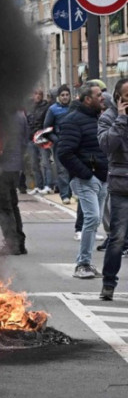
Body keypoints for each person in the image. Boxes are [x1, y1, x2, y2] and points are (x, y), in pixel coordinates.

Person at [57, 82, 108, 280]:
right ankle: (83, 264)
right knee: (92, 218)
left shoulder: (99, 118)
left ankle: (87, 262)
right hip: (86, 178)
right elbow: (64, 153)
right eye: (98, 95)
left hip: (102, 177)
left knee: (95, 221)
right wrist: (86, 174)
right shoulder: (72, 120)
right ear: (88, 99)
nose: (102, 98)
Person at [97, 78, 128, 299]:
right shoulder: (108, 117)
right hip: (121, 185)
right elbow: (106, 145)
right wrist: (122, 119)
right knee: (117, 237)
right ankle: (108, 283)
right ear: (118, 97)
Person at [0, 111, 29, 255]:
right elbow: (25, 141)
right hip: (15, 167)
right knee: (12, 204)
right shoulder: (20, 115)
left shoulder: (1, 115)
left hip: (1, 168)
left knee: (3, 206)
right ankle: (19, 243)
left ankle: (12, 244)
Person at [44, 85, 73, 204]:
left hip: (73, 144)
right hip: (59, 145)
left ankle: (73, 192)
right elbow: (47, 129)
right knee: (62, 170)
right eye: (62, 95)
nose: (65, 97)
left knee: (73, 169)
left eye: (67, 95)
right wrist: (56, 140)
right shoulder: (52, 110)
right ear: (58, 97)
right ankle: (65, 195)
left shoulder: (74, 108)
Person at [27, 88, 53, 195]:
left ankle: (48, 185)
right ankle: (39, 185)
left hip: (42, 138)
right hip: (31, 138)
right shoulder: (29, 108)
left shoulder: (46, 107)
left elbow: (48, 123)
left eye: (40, 94)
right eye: (36, 94)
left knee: (46, 162)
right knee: (34, 164)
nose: (37, 96)